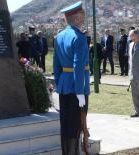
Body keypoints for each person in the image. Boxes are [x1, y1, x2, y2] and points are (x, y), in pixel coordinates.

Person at [53, 1, 90, 154]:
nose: (84, 18)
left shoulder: (59, 37)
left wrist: (59, 84)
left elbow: (56, 66)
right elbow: (78, 66)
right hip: (77, 87)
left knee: (66, 125)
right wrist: (80, 92)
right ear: (76, 19)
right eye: (82, 15)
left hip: (64, 86)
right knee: (77, 125)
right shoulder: (80, 38)